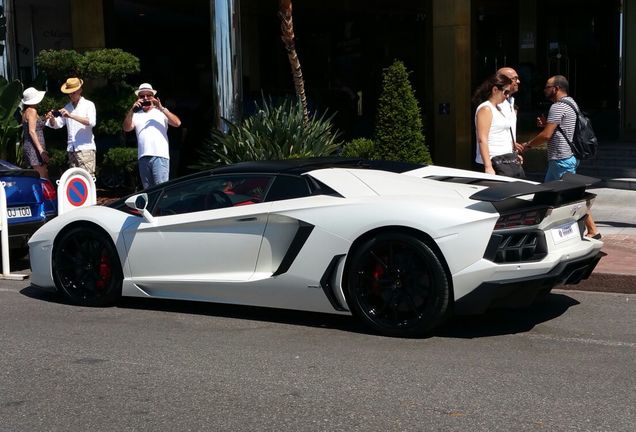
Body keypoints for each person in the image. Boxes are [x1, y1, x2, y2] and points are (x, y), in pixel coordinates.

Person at [522, 75, 601, 239]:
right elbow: (562, 127)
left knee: (566, 196)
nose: (544, 90)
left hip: (561, 159)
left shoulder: (557, 107)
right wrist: (546, 124)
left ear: (556, 88)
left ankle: (588, 230)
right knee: (561, 195)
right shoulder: (571, 103)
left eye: (547, 86)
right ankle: (586, 230)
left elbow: (546, 135)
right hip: (567, 157)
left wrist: (527, 145)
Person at [123, 83, 182, 189]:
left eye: (148, 95)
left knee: (160, 189)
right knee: (148, 191)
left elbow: (177, 123)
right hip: (143, 157)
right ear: (138, 98)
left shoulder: (161, 112)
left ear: (153, 97)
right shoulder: (136, 115)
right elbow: (127, 128)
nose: (145, 98)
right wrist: (132, 110)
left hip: (160, 156)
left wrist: (161, 108)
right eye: (142, 96)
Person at [472, 73, 523, 177]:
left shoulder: (499, 108)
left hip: (505, 159)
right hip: (494, 161)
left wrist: (513, 155)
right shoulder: (486, 109)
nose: (507, 96)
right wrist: (488, 166)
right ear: (495, 90)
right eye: (506, 92)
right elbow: (482, 139)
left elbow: (503, 134)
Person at [46, 77, 97, 177]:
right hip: (71, 149)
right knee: (74, 179)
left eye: (73, 92)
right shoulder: (67, 107)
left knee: (88, 179)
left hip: (85, 148)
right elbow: (58, 124)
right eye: (69, 93)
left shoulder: (89, 105)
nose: (71, 95)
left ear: (80, 90)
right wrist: (52, 118)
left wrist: (70, 115)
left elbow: (91, 122)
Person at [20, 87, 50, 179]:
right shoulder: (32, 111)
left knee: (43, 174)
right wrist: (41, 151)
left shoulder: (26, 112)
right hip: (35, 148)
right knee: (42, 178)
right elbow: (32, 131)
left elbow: (36, 128)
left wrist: (44, 119)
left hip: (31, 146)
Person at [497, 66, 524, 153]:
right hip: (497, 156)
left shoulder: (511, 101)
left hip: (508, 154)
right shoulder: (494, 104)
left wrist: (513, 151)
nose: (518, 82)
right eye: (515, 79)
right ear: (502, 80)